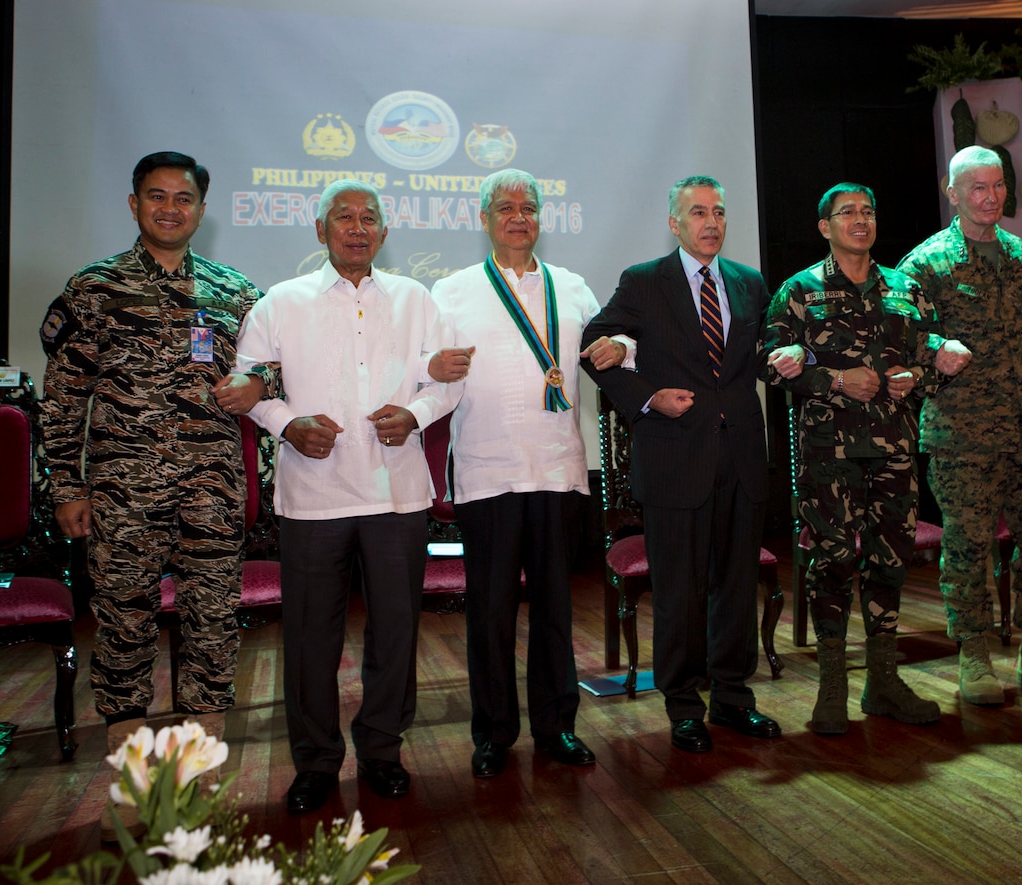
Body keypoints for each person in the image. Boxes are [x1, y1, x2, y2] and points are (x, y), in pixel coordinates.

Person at [39, 151, 278, 839]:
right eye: (156, 196)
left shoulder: (238, 292)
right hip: (120, 493)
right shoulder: (95, 288)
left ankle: (202, 781)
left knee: (211, 628)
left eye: (183, 198)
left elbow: (273, 378)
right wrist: (66, 486)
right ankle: (131, 783)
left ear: (203, 210)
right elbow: (63, 399)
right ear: (134, 204)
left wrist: (261, 385)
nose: (170, 208)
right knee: (122, 628)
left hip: (211, 488)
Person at [234, 179, 453, 813]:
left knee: (395, 631)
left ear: (385, 234)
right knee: (309, 638)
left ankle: (383, 750)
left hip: (398, 496)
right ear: (320, 230)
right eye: (343, 218)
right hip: (313, 497)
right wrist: (285, 425)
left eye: (369, 219)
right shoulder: (279, 303)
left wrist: (415, 413)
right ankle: (316, 762)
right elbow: (251, 382)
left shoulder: (417, 300)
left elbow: (448, 382)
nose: (357, 228)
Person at [428, 168, 631, 778]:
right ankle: (493, 734)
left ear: (542, 219)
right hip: (488, 473)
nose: (519, 216)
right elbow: (423, 366)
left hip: (557, 469)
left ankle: (557, 726)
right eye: (506, 207)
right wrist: (428, 364)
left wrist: (623, 347)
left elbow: (610, 341)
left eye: (530, 207)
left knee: (554, 608)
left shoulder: (570, 287)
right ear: (484, 219)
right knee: (489, 610)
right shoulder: (451, 291)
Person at [581, 175, 780, 752]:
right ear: (674, 223)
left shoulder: (748, 281)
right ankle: (684, 705)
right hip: (674, 460)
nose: (711, 222)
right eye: (698, 213)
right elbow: (596, 345)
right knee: (680, 591)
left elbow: (762, 354)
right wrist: (647, 397)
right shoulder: (645, 282)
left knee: (736, 587)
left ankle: (733, 698)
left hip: (741, 458)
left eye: (719, 212)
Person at [897, 146, 1022, 705]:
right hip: (964, 436)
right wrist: (934, 346)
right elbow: (899, 335)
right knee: (970, 548)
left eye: (998, 185)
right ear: (952, 193)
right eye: (977, 187)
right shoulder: (926, 264)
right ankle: (974, 657)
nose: (990, 196)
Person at [763, 183, 943, 734]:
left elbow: (936, 356)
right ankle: (832, 687)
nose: (860, 220)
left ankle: (884, 681)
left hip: (894, 451)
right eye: (847, 213)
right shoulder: (799, 291)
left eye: (868, 211)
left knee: (889, 563)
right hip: (829, 456)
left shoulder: (906, 288)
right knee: (833, 565)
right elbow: (768, 365)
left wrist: (918, 377)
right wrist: (835, 379)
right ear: (825, 227)